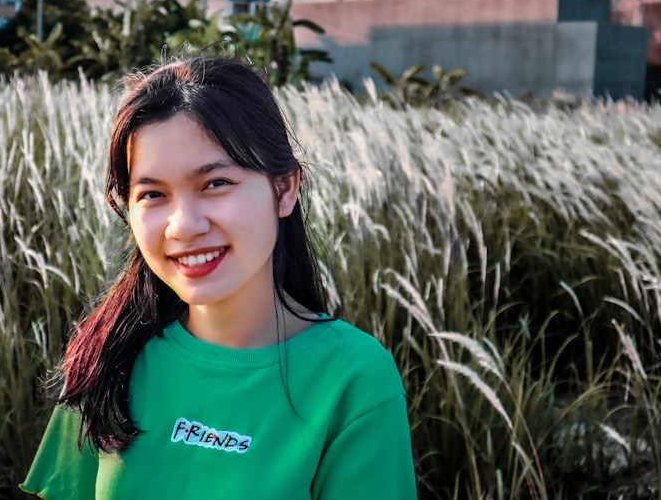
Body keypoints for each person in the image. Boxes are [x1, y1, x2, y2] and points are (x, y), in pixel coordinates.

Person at [22, 56, 418, 498]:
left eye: (216, 184)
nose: (183, 225)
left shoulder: (352, 379)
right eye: (153, 194)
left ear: (284, 188)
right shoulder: (109, 353)